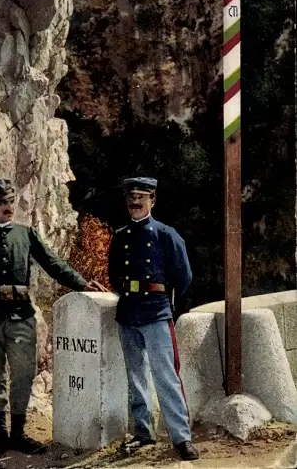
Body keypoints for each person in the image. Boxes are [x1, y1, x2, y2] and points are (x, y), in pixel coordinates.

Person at [0, 178, 106, 463]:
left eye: (11, 202)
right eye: (1, 203)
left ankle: (18, 433)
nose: (7, 207)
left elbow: (54, 264)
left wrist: (82, 284)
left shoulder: (25, 235)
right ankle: (0, 435)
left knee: (24, 374)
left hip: (21, 316)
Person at [108, 177, 199, 461]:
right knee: (136, 377)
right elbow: (113, 275)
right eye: (131, 198)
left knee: (166, 377)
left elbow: (183, 276)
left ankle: (181, 438)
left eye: (141, 198)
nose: (135, 203)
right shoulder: (120, 236)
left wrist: (167, 302)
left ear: (152, 200)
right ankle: (143, 433)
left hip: (156, 312)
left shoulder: (165, 234)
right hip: (128, 313)